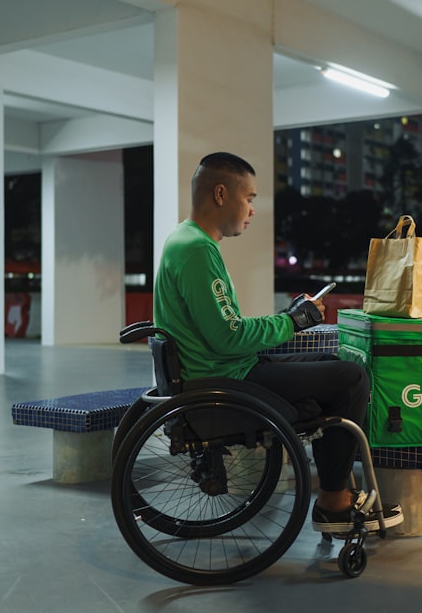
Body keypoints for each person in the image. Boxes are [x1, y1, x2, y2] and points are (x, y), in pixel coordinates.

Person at [152, 151, 402, 534]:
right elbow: (229, 336)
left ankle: (338, 489)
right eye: (249, 198)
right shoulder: (198, 249)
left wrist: (289, 319)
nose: (252, 210)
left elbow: (224, 326)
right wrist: (294, 321)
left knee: (327, 361)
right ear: (221, 194)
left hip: (215, 372)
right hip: (223, 380)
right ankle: (334, 500)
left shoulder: (184, 240)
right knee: (351, 378)